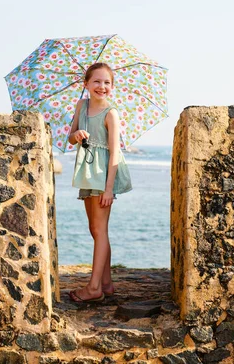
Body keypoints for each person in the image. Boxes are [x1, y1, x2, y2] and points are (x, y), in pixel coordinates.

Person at [67, 62, 132, 303]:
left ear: (112, 87)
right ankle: (106, 283)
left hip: (104, 175)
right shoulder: (81, 106)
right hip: (88, 172)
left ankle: (94, 288)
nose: (101, 86)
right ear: (85, 84)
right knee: (95, 230)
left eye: (106, 82)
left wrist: (109, 189)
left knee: (100, 229)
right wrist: (77, 135)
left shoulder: (110, 114)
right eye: (96, 81)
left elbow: (115, 153)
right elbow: (71, 136)